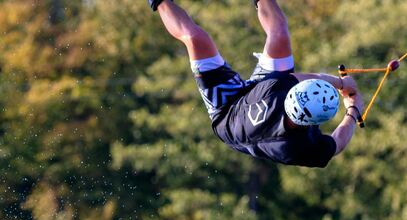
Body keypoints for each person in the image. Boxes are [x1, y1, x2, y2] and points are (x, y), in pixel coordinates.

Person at [147, 0, 364, 167]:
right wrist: (348, 100)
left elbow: (337, 143)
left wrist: (347, 95)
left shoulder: (301, 148)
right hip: (261, 94)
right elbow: (338, 140)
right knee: (279, 33)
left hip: (228, 113)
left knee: (195, 39)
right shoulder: (283, 91)